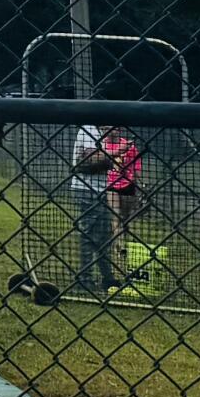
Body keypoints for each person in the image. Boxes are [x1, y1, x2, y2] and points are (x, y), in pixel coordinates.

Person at [69, 121, 143, 292]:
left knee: (103, 236)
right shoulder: (89, 130)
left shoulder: (103, 135)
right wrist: (118, 152)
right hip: (86, 190)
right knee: (89, 235)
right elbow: (90, 158)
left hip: (100, 190)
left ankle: (107, 278)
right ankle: (84, 280)